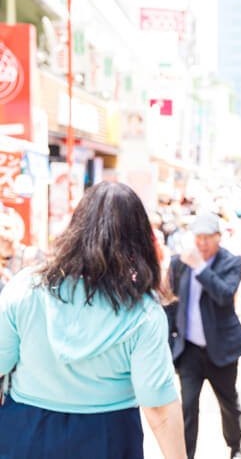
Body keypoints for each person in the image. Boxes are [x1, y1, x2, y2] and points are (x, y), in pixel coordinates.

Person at [0, 182, 186, 459]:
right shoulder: (143, 312)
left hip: (25, 430)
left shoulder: (26, 288)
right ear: (140, 239)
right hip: (108, 434)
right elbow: (158, 406)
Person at [167, 213, 241, 459]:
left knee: (229, 403)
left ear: (218, 238)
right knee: (188, 405)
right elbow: (173, 303)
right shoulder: (179, 263)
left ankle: (235, 446)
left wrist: (201, 268)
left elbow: (224, 295)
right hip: (189, 348)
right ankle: (186, 454)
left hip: (222, 348)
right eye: (197, 238)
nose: (201, 243)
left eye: (207, 238)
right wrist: (170, 341)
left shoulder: (230, 262)